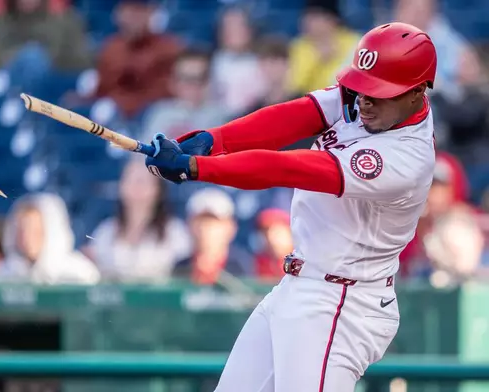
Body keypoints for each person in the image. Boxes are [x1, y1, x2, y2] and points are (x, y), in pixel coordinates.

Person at [144, 22, 437, 391]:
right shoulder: (374, 104)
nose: (364, 99)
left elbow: (290, 168)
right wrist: (213, 139)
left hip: (341, 303)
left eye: (378, 92)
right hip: (299, 285)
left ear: (417, 92)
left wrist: (197, 167)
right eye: (363, 87)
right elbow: (298, 115)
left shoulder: (406, 157)